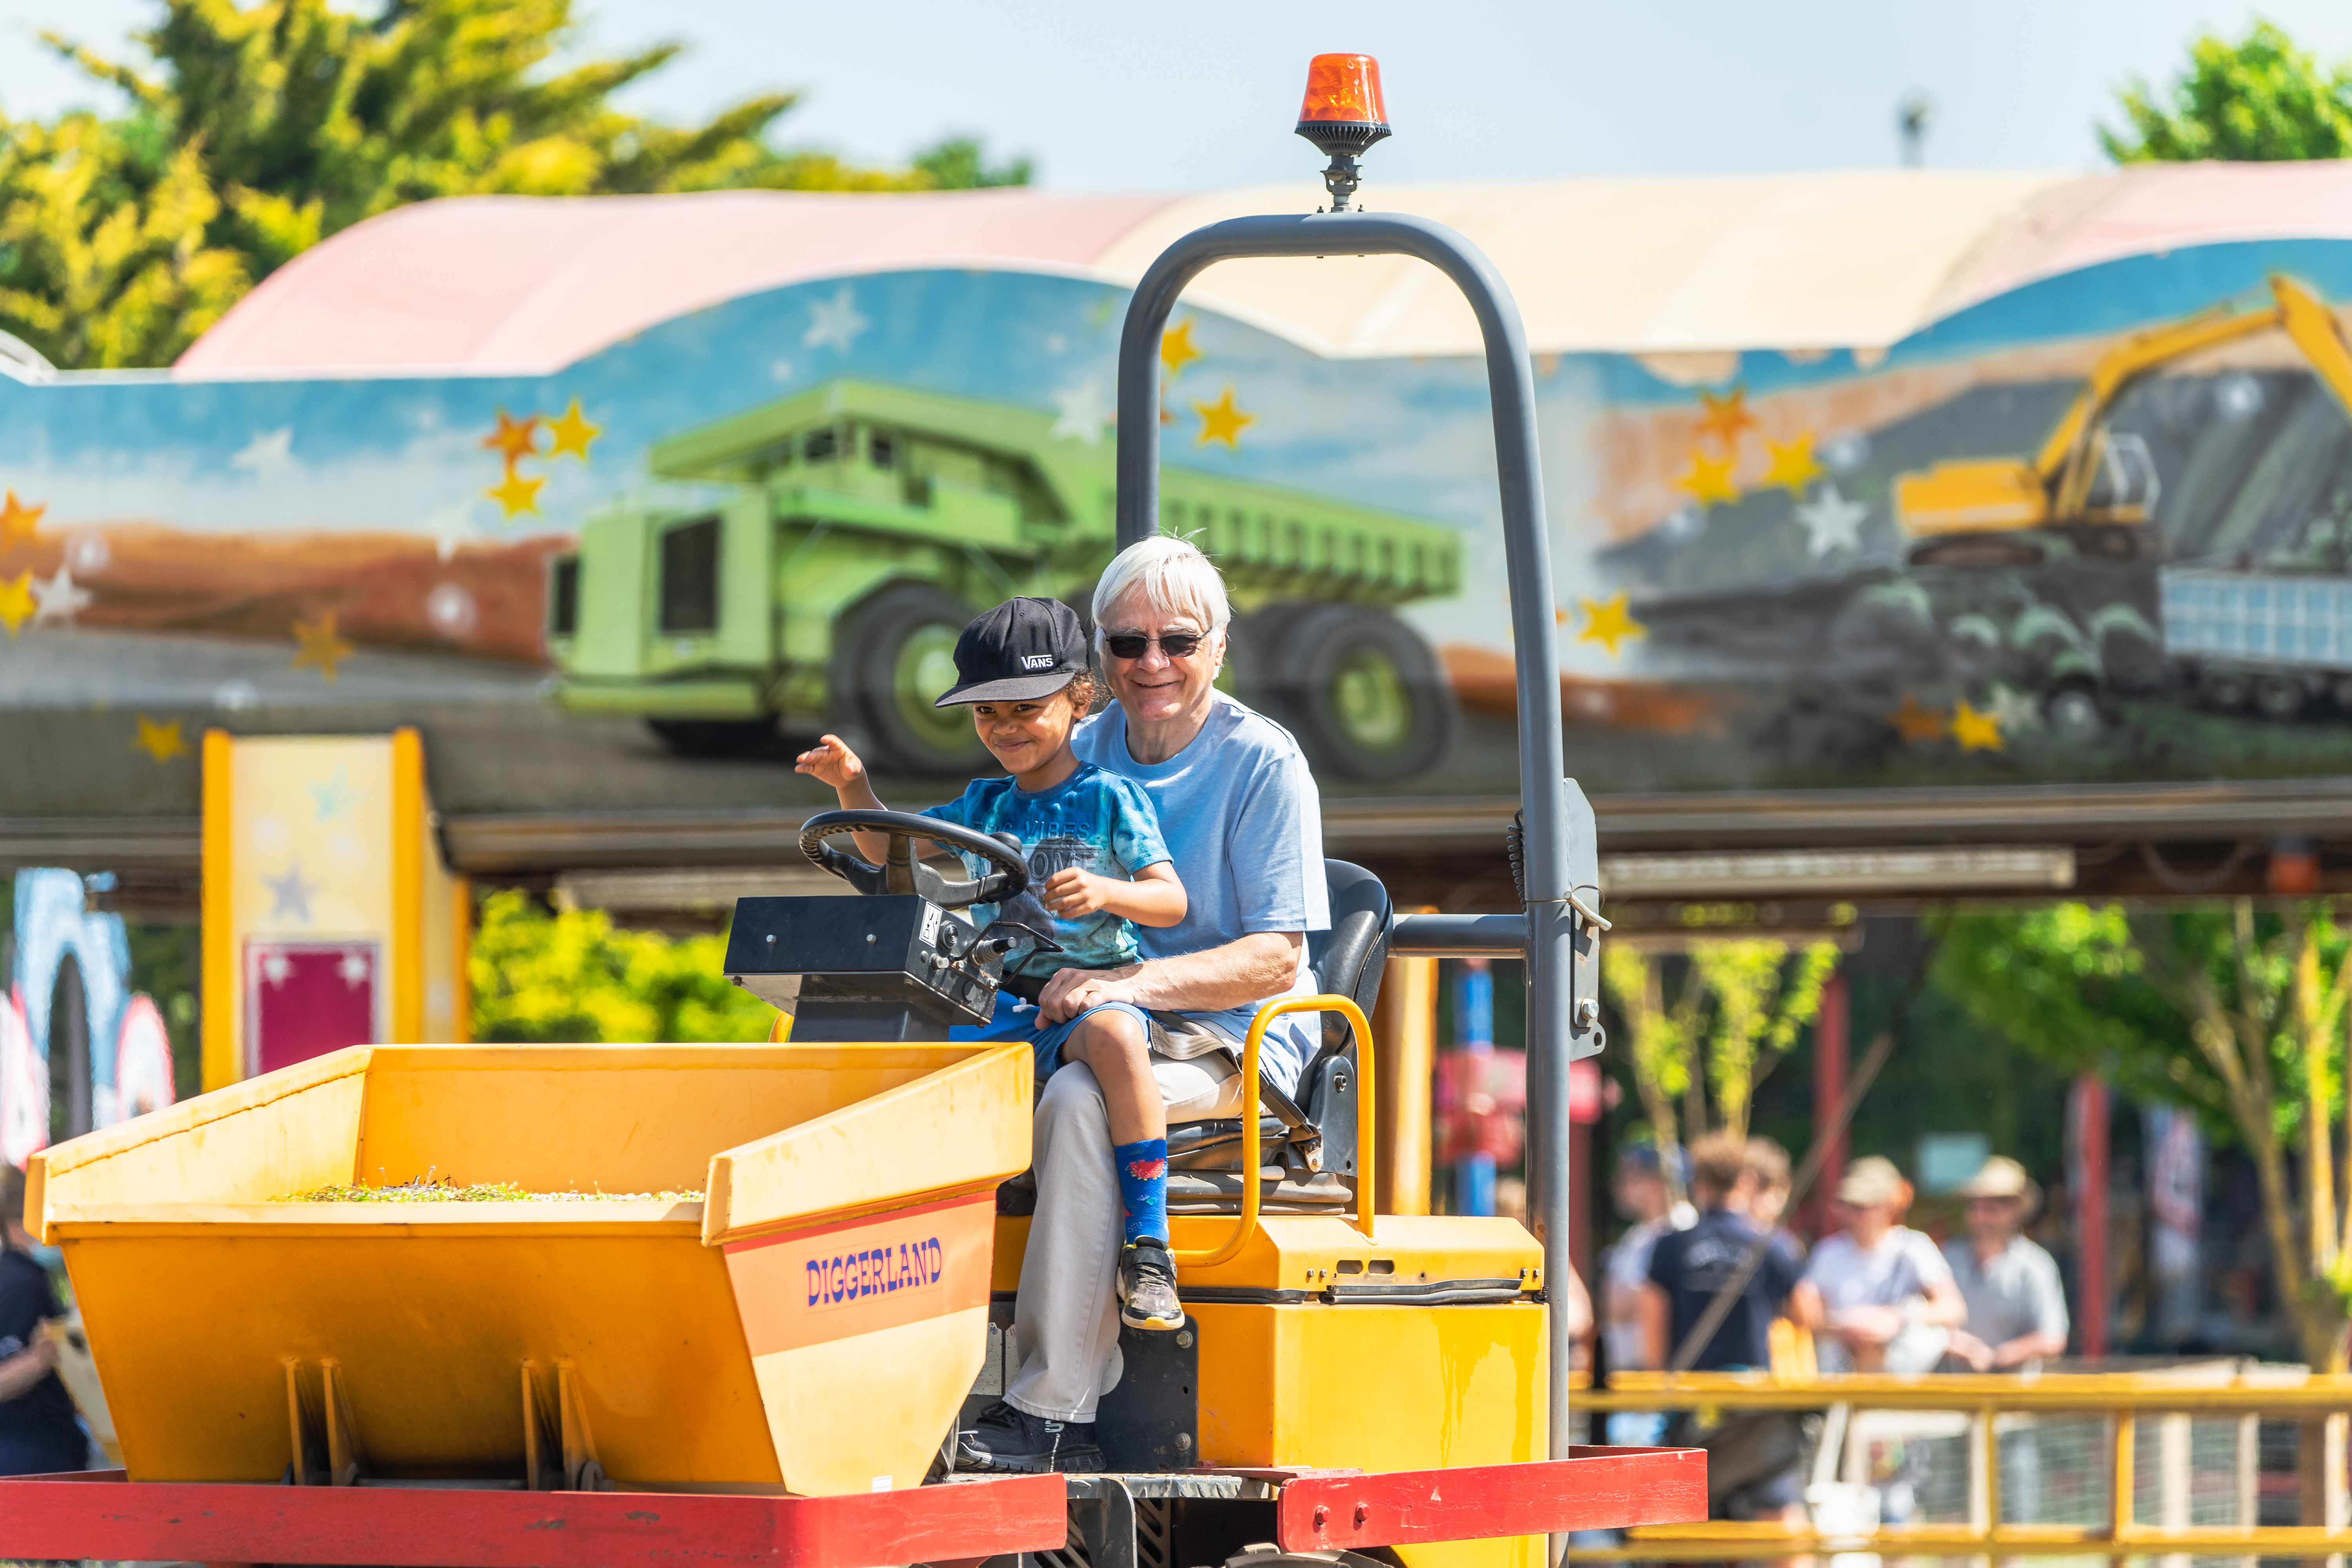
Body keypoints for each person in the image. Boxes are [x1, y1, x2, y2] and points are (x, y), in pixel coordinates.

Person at [944, 537, 1330, 1474]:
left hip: (1233, 1030)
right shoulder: (1079, 745)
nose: (1152, 663)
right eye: (1126, 643)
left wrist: (1126, 986)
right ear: (1096, 664)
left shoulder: (1262, 763)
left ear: (1220, 648)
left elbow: (1275, 957)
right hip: (1088, 1015)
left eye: (1178, 641)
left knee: (1082, 1101)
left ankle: (1051, 1407)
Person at [799, 597, 1192, 1342]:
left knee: (1116, 1039)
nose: (1005, 728)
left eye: (1024, 708)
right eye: (986, 715)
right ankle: (876, 1250)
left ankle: (1148, 1243)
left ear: (1078, 699)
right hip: (993, 1001)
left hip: (1083, 998)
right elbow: (891, 852)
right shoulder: (981, 805)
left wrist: (1110, 890)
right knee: (884, 1049)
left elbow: (1170, 901)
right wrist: (853, 786)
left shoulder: (1110, 798)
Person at [1639, 1133, 1805, 1523]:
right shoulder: (1773, 1244)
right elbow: (1806, 1313)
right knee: (1778, 1514)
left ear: (1700, 1184)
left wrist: (1656, 1387)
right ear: (1746, 1182)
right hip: (1754, 1404)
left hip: (1691, 1403)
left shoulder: (1669, 1246)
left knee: (1687, 1521)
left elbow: (1652, 1332)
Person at [1791, 1156, 1965, 1374]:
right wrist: (1845, 1326)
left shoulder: (1914, 1247)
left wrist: (1896, 1318)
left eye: (1866, 1206)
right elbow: (1806, 1317)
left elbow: (1953, 1309)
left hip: (1900, 1382)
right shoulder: (1827, 1252)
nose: (1857, 1215)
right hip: (1840, 1377)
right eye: (1851, 1205)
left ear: (1890, 1205)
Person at [1942, 1156, 2069, 1371]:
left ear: (2015, 1211)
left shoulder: (2035, 1266)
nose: (1980, 1216)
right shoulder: (1948, 1258)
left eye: (1991, 1209)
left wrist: (1997, 1356)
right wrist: (1952, 1343)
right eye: (1974, 1208)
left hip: (2013, 1397)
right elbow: (1920, 1322)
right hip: (1954, 1396)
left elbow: (2053, 1339)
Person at [1599, 1143, 1687, 1445]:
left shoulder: (1679, 1229)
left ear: (1657, 1181)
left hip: (1654, 1375)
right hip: (1630, 1375)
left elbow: (1636, 1302)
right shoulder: (1639, 1234)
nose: (1620, 1185)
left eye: (1630, 1176)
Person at [0, 1166, 84, 1476]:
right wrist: (40, 1360)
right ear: (16, 1229)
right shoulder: (20, 1284)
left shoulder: (28, 1277)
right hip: (30, 1454)